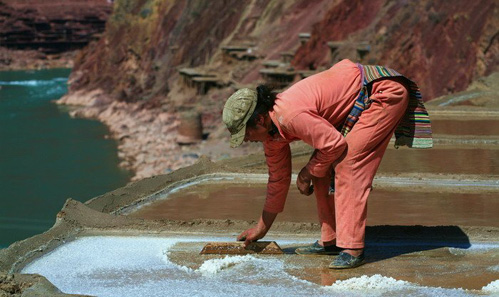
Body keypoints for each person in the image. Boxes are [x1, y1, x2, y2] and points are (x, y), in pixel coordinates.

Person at [222, 59, 432, 269]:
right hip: (356, 101)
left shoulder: (291, 115)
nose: (247, 139)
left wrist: (306, 172)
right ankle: (330, 240)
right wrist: (261, 228)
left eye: (246, 133)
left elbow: (334, 145)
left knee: (348, 164)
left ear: (259, 120)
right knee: (321, 167)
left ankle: (352, 248)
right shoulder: (271, 135)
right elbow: (278, 178)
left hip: (382, 93)